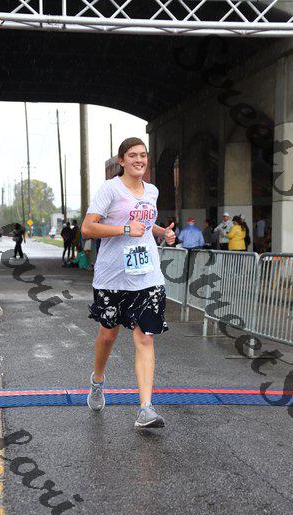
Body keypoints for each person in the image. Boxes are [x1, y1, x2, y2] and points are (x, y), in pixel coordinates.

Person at [81, 137, 176, 429]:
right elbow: (87, 228)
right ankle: (97, 381)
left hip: (147, 276)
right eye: (133, 155)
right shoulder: (110, 189)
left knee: (145, 337)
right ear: (121, 160)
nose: (139, 160)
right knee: (107, 335)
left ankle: (146, 409)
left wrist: (162, 232)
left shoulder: (152, 191)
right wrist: (123, 229)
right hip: (112, 276)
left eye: (143, 155)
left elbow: (143, 225)